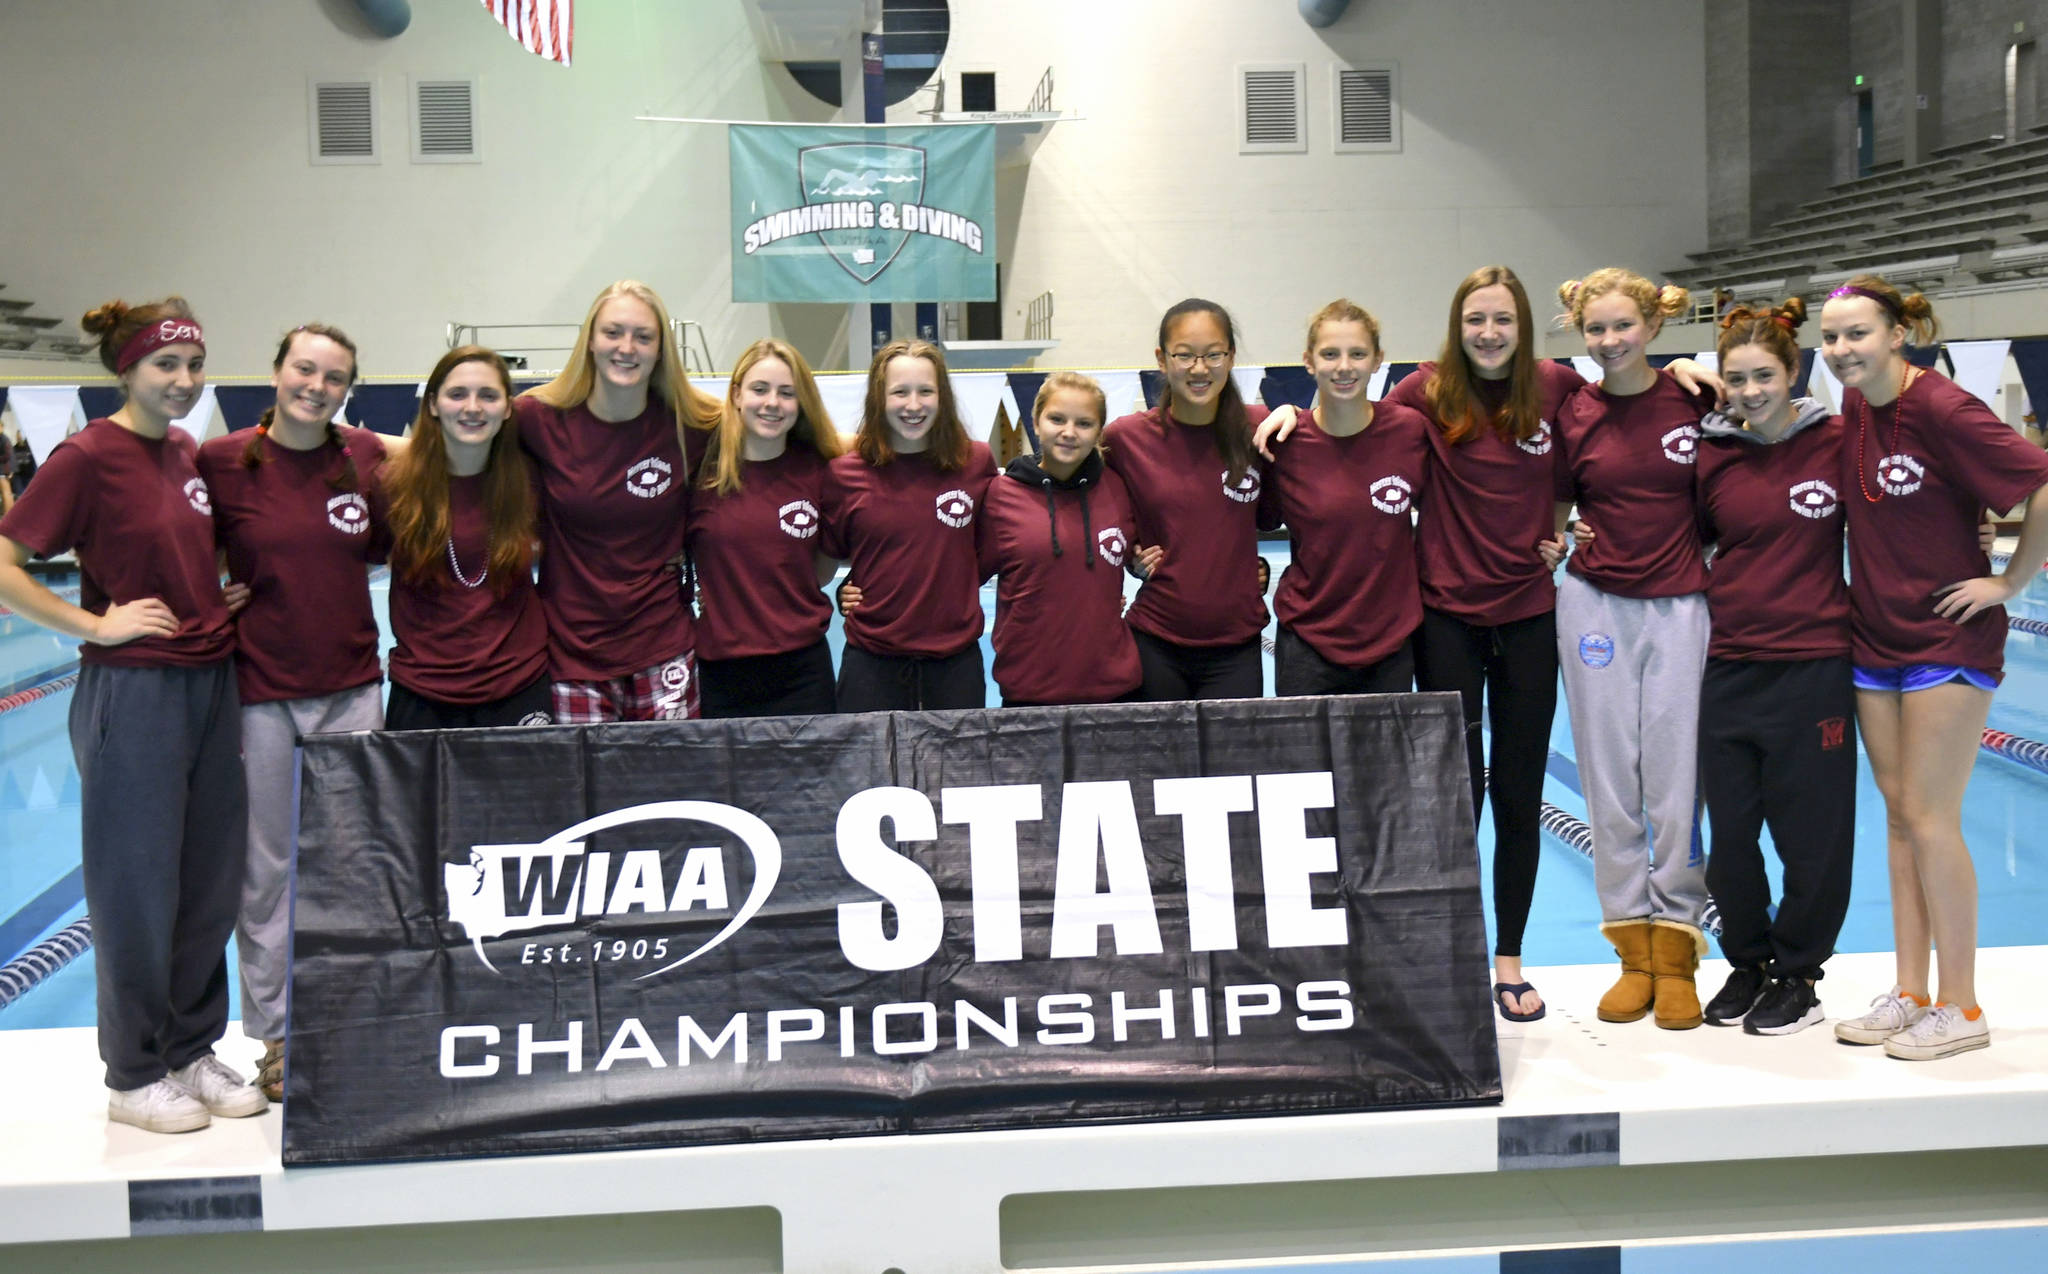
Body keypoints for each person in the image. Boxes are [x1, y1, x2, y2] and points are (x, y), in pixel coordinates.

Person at [0, 297, 265, 1132]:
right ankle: (132, 1073)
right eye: (166, 366)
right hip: (135, 690)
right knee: (135, 887)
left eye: (194, 365)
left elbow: (177, 549)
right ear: (127, 370)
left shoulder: (184, 450)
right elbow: (6, 561)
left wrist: (207, 593)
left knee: (206, 883)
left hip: (209, 681)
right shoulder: (86, 456)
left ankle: (191, 1049)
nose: (183, 381)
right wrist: (92, 623)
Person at [1821, 274, 2048, 1060]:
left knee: (1930, 817)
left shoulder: (1944, 407)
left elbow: (2040, 482)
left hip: (1948, 640)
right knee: (1897, 816)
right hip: (1876, 637)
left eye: (1857, 333)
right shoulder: (1856, 407)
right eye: (1832, 337)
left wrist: (2011, 582)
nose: (1842, 349)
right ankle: (1911, 992)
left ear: (1896, 334)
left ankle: (1963, 1005)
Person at [197, 322, 387, 1102]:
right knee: (265, 873)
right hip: (262, 697)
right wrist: (205, 590)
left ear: (349, 389)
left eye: (333, 376)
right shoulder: (221, 460)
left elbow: (451, 452)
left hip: (351, 689)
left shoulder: (365, 456)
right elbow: (180, 545)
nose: (316, 385)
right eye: (304, 369)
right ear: (276, 373)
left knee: (354, 870)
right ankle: (275, 1038)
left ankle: (350, 1024)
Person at [1553, 267, 1714, 1031]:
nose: (1609, 341)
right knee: (1609, 781)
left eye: (1622, 327)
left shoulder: (1693, 395)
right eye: (1596, 329)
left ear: (1651, 327)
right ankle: (1631, 951)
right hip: (1593, 605)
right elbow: (1550, 506)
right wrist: (1560, 536)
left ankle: (1678, 945)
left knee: (1675, 783)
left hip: (1681, 605)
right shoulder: (1571, 410)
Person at [1690, 297, 1854, 1036]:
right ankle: (1749, 962)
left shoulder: (1840, 443)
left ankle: (1800, 976)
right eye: (1738, 378)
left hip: (1813, 666)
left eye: (1765, 375)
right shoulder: (1713, 455)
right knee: (1729, 843)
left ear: (1794, 372)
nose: (1752, 391)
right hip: (1727, 665)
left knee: (1810, 836)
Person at [515, 280, 719, 723]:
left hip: (664, 648)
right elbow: (446, 444)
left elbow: (796, 439)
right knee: (588, 793)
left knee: (672, 787)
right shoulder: (538, 419)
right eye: (613, 332)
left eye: (643, 336)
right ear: (589, 340)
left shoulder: (694, 424)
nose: (626, 347)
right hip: (574, 655)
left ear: (661, 349)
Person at [1259, 300, 1429, 696]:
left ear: (1377, 360)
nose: (1344, 367)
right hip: (1308, 642)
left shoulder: (1409, 431)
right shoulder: (1284, 439)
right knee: (1308, 761)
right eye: (1330, 354)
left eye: (1357, 354)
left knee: (1383, 761)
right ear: (1308, 360)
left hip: (1391, 641)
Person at [1104, 298, 1270, 701]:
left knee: (1235, 765)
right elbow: (1099, 519)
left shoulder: (1261, 429)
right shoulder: (1126, 440)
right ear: (1162, 359)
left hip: (1237, 645)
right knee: (1158, 766)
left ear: (1230, 358)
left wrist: (1255, 564)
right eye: (1185, 355)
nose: (1199, 369)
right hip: (1157, 640)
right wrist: (1130, 557)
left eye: (1213, 355)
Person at [379, 345, 550, 729]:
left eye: (488, 395)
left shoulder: (531, 481)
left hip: (520, 685)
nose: (473, 407)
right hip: (423, 691)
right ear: (434, 405)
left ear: (508, 408)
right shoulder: (391, 487)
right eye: (458, 394)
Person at [825, 339, 995, 711]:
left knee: (957, 772)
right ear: (878, 397)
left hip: (955, 664)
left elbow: (992, 548)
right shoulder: (845, 473)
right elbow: (825, 560)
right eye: (900, 392)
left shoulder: (975, 462)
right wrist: (846, 591)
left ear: (943, 396)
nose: (914, 405)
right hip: (872, 662)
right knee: (870, 771)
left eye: (926, 391)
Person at [688, 338, 844, 718]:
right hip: (721, 672)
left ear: (800, 403)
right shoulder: (699, 471)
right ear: (737, 393)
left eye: (787, 393)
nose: (772, 403)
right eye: (760, 389)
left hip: (803, 672)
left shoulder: (821, 469)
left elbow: (823, 570)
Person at [977, 372, 1143, 706]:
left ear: (1099, 432)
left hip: (1114, 690)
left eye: (1084, 423)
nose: (1069, 432)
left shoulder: (1118, 488)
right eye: (1056, 419)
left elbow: (1147, 550)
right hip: (1029, 692)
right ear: (1036, 422)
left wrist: (1141, 565)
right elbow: (956, 573)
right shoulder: (1000, 496)